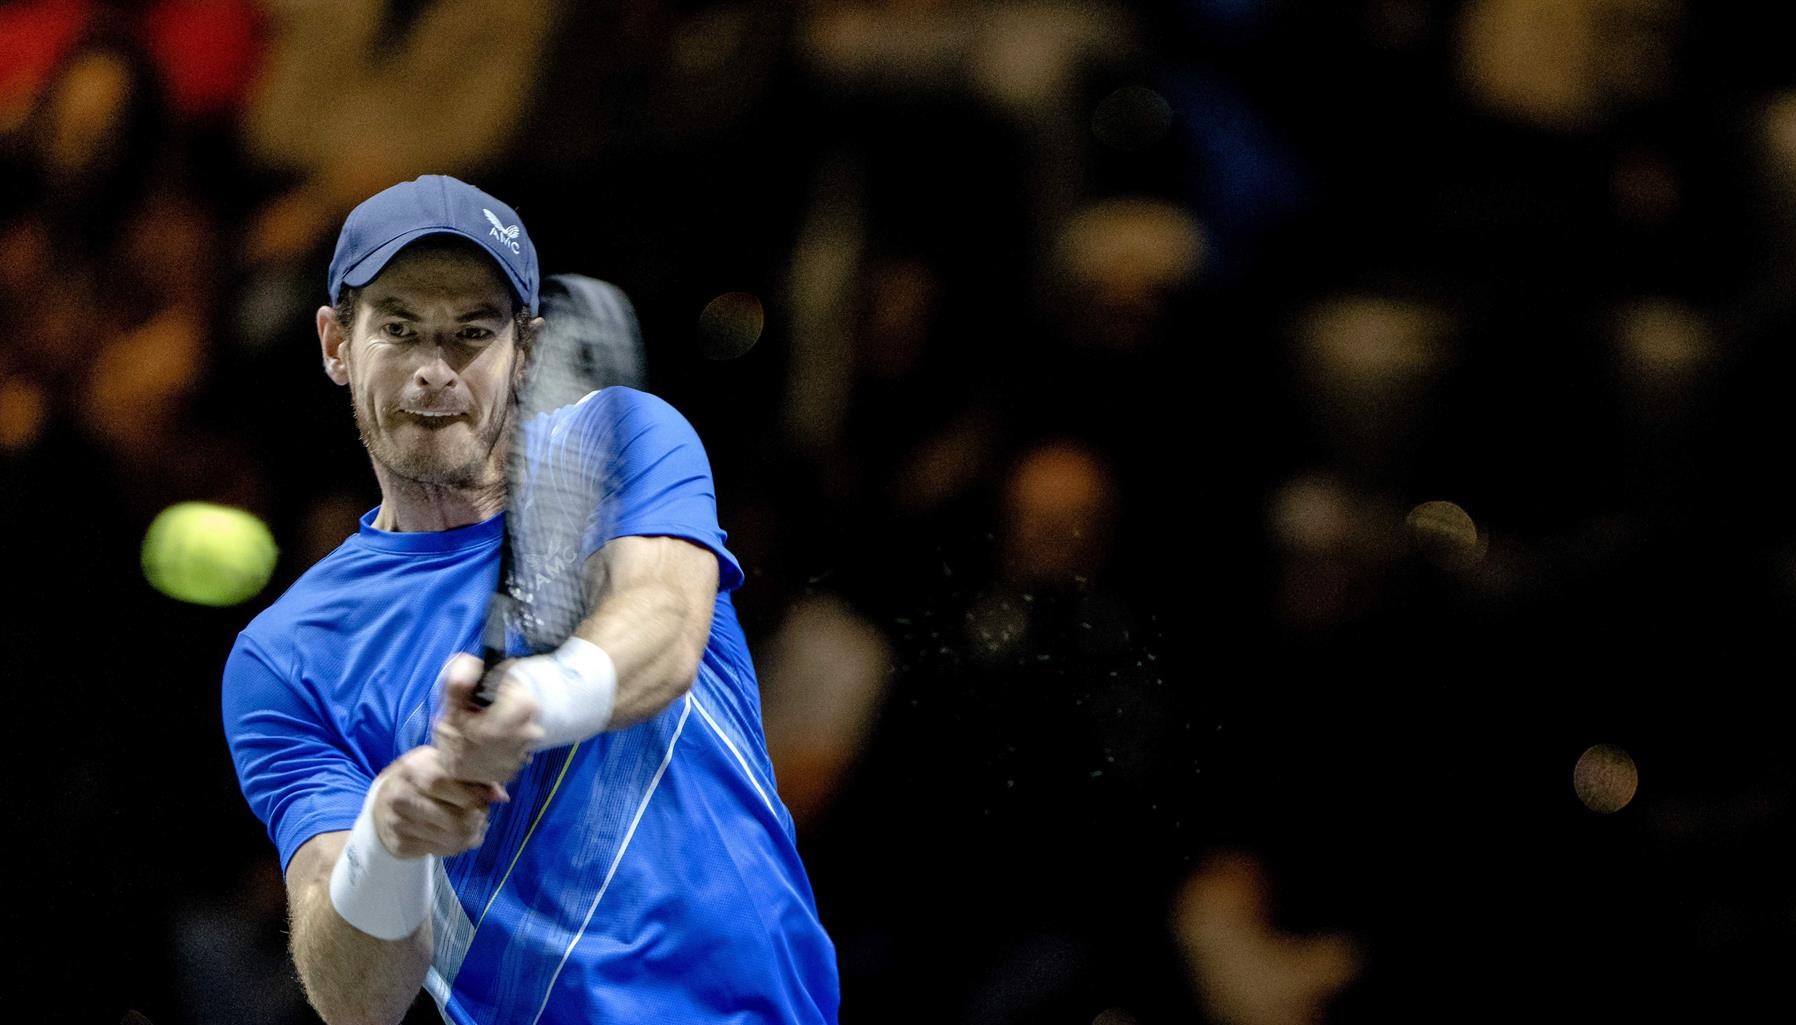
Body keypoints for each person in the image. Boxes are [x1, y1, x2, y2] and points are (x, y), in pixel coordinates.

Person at [221, 174, 840, 1025]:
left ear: (528, 348)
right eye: (398, 328)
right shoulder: (284, 656)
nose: (435, 370)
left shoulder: (617, 437)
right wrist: (389, 841)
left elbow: (663, 623)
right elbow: (354, 999)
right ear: (336, 343)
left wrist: (536, 700)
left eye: (473, 332)